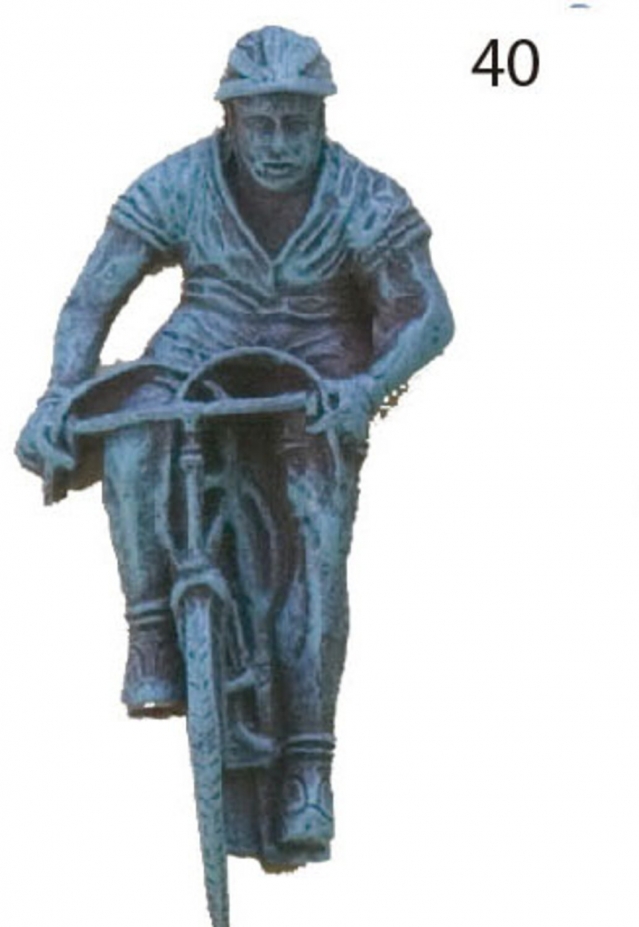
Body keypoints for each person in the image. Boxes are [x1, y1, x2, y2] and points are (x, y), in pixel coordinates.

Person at [16, 26, 453, 856]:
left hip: (315, 367)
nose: (279, 143)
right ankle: (150, 628)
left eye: (297, 124)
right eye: (263, 124)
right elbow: (91, 298)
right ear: (231, 122)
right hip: (202, 342)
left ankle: (307, 769)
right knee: (134, 433)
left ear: (322, 122)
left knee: (318, 545)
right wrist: (57, 392)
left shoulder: (364, 199)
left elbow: (428, 315)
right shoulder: (180, 182)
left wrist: (365, 388)